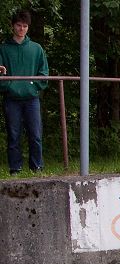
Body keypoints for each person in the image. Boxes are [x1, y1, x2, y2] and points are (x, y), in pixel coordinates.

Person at [0, 10, 48, 174]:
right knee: (13, 134)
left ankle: (37, 166)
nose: (21, 29)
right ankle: (15, 168)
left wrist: (34, 86)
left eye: (25, 26)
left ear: (28, 28)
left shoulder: (36, 49)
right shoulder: (3, 49)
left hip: (31, 98)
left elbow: (44, 73)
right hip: (11, 98)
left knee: (35, 134)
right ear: (13, 26)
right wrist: (8, 84)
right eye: (19, 25)